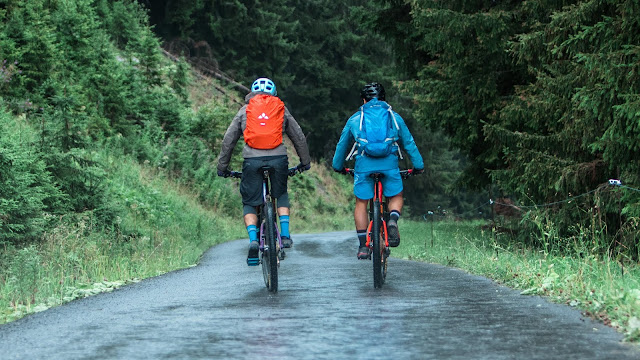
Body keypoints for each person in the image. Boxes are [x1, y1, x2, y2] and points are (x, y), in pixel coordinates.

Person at [217, 77, 311, 265]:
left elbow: (229, 140)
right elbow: (298, 137)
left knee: (250, 201)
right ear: (273, 94)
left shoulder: (245, 111)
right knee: (281, 192)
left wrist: (223, 167)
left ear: (252, 93)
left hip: (252, 160)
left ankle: (253, 240)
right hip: (278, 159)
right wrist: (304, 162)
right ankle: (284, 235)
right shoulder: (281, 109)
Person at [332, 82, 424, 259]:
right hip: (389, 164)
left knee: (361, 203)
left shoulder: (355, 119)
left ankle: (363, 246)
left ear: (364, 100)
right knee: (396, 196)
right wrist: (418, 166)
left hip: (364, 166)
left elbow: (342, 145)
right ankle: (392, 220)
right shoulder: (394, 117)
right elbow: (409, 143)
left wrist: (338, 166)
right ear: (383, 98)